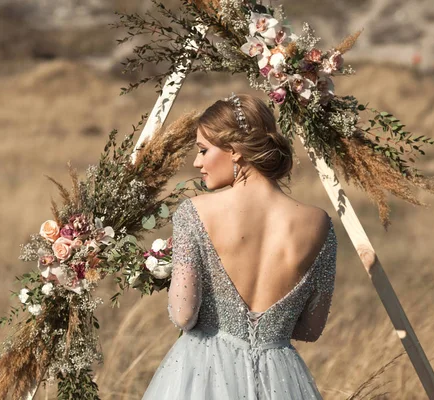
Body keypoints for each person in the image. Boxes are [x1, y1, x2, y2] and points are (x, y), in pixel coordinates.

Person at [142, 93, 337, 400]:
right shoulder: (320, 224)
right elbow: (311, 329)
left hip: (203, 373)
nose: (197, 162)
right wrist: (274, 326)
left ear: (233, 151)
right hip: (280, 378)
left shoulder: (195, 213)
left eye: (203, 150)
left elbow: (183, 315)